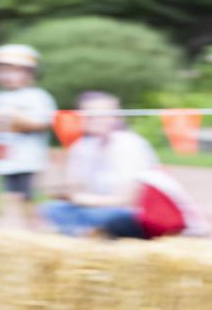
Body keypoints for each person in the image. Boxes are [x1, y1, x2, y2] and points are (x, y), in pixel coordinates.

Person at [42, 91, 160, 237]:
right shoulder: (83, 147)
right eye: (89, 116)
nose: (96, 120)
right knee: (52, 209)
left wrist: (79, 199)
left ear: (117, 117)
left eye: (103, 115)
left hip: (124, 212)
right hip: (95, 208)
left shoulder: (130, 144)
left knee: (113, 219)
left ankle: (83, 236)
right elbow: (74, 187)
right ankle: (84, 235)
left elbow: (126, 200)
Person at [0, 44, 55, 229]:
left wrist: (9, 117)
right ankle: (10, 231)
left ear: (30, 74)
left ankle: (34, 230)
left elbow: (41, 123)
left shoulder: (38, 97)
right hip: (5, 158)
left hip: (28, 159)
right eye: (2, 71)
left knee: (27, 198)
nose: (6, 76)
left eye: (13, 71)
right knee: (7, 197)